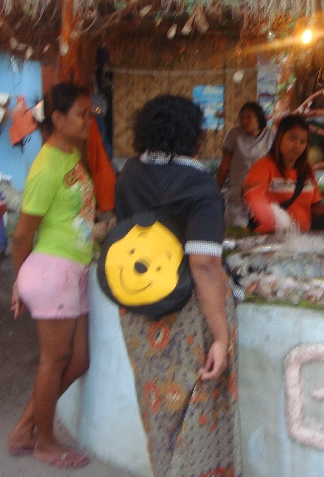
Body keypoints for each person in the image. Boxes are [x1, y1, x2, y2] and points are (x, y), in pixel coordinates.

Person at [114, 95, 241, 477]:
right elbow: (203, 264)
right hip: (187, 315)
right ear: (194, 136)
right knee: (200, 408)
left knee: (158, 410)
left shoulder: (129, 173)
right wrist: (220, 337)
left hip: (138, 312)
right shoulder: (197, 184)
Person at [7, 83, 102, 469]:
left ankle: (24, 429)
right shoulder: (46, 166)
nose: (89, 121)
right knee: (54, 359)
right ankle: (43, 441)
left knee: (78, 360)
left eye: (90, 113)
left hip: (71, 268)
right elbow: (21, 234)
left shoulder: (72, 155)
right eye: (82, 114)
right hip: (51, 269)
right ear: (59, 119)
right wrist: (20, 280)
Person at [242, 114, 324, 233]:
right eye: (292, 139)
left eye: (302, 141)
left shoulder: (306, 171)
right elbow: (252, 193)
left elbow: (311, 208)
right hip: (270, 240)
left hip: (300, 239)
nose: (297, 146)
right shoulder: (263, 166)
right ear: (279, 137)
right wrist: (270, 216)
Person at [216, 102, 274, 228]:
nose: (244, 121)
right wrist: (215, 192)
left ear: (259, 118)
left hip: (262, 194)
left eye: (249, 117)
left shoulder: (270, 136)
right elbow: (224, 166)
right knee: (237, 233)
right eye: (242, 117)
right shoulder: (234, 135)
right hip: (237, 194)